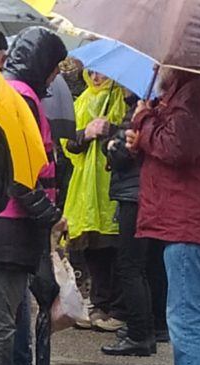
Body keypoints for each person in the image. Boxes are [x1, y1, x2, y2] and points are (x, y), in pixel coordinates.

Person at [129, 69, 200, 365]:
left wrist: (145, 118)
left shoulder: (193, 94)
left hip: (190, 223)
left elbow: (178, 148)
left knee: (187, 319)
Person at [0, 28, 67, 365]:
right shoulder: (24, 99)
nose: (54, 78)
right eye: (53, 69)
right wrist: (49, 214)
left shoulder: (4, 90)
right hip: (12, 225)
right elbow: (24, 170)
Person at [102, 86, 164, 356]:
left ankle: (140, 332)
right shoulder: (157, 110)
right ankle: (148, 326)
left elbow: (123, 152)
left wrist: (111, 143)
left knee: (130, 265)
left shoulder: (144, 109)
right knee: (146, 265)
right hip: (146, 194)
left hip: (134, 195)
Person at [64, 72, 127, 333]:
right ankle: (99, 304)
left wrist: (110, 130)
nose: (96, 77)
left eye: (101, 72)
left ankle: (116, 308)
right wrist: (85, 133)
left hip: (109, 184)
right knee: (91, 246)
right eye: (92, 72)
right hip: (84, 187)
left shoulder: (119, 99)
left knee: (113, 248)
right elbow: (67, 143)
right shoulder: (81, 101)